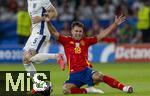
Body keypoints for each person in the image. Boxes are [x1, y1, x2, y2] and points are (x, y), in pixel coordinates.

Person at [45, 15, 133, 94]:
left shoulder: (86, 41)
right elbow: (54, 33)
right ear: (72, 31)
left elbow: (101, 35)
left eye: (80, 31)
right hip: (74, 75)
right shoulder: (66, 40)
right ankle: (87, 90)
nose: (78, 33)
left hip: (86, 71)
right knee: (66, 90)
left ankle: (124, 88)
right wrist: (48, 22)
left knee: (99, 76)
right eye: (76, 31)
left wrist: (115, 24)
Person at [23, 0, 65, 94]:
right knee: (26, 61)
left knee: (29, 57)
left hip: (41, 33)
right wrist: (32, 29)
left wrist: (42, 18)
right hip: (34, 33)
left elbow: (54, 12)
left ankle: (57, 56)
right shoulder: (29, 1)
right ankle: (39, 85)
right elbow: (32, 18)